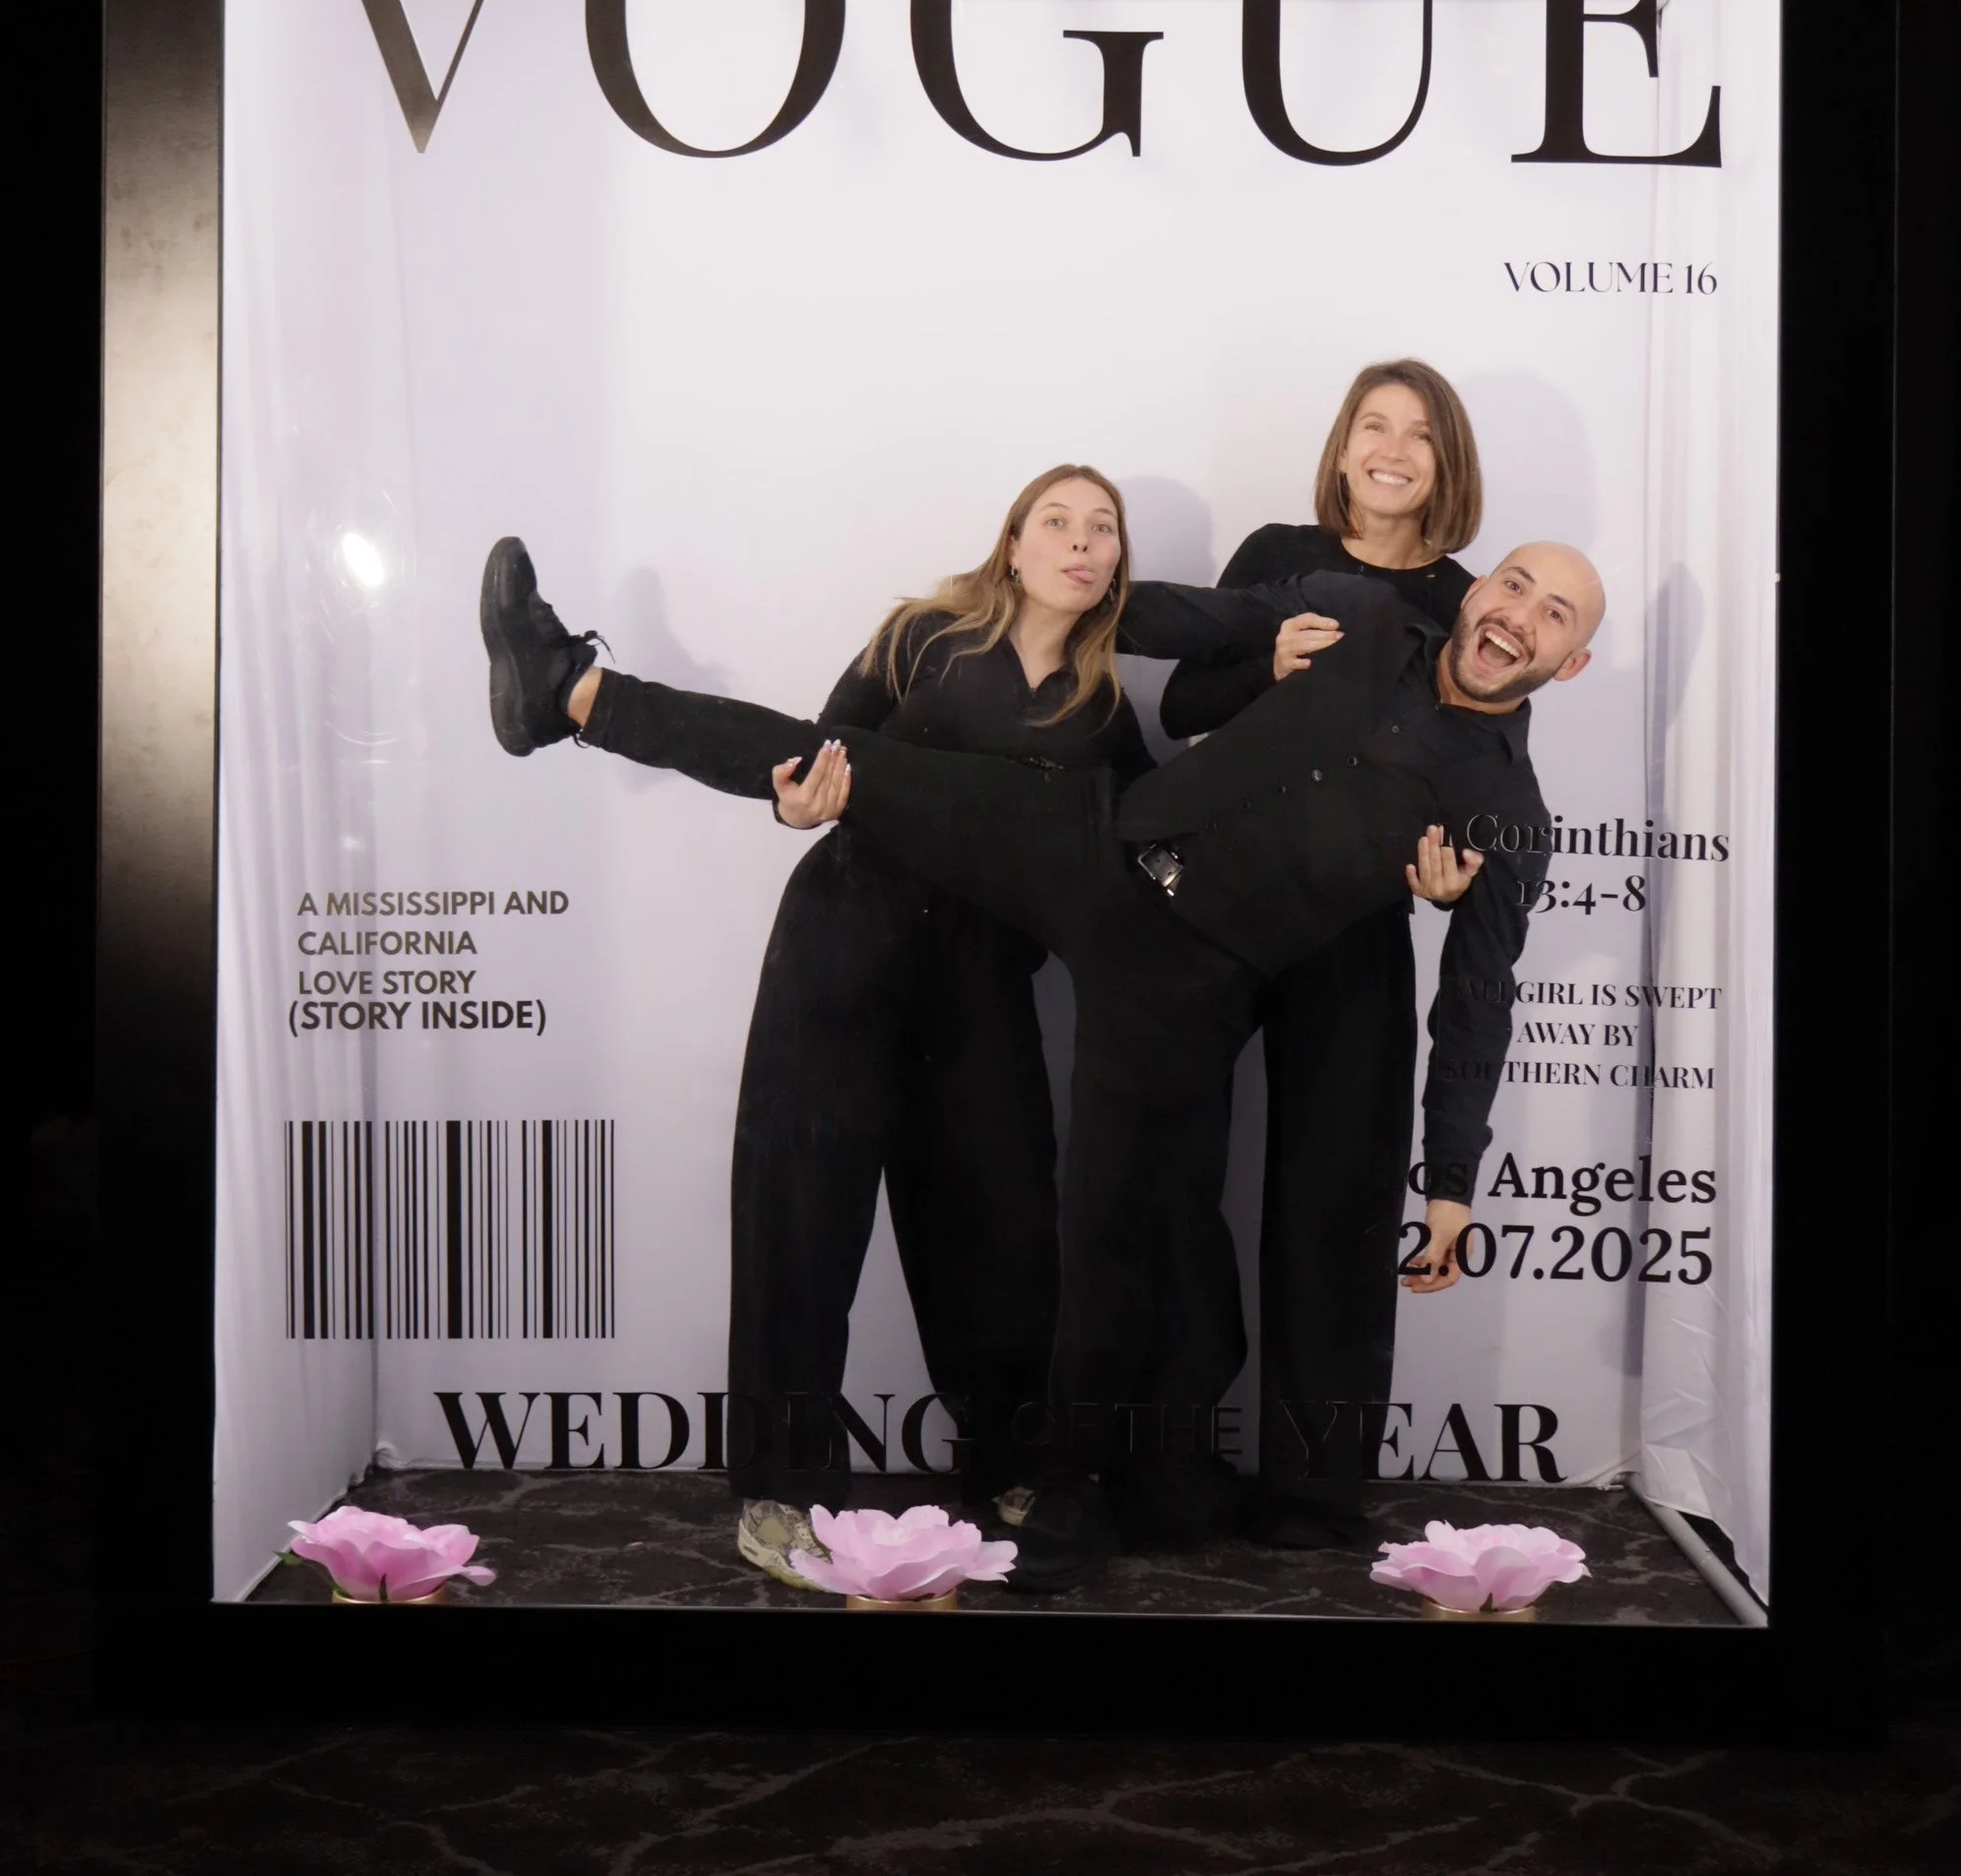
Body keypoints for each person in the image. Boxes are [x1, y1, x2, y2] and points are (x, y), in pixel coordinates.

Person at [481, 530, 1603, 1588]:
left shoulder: (1500, 808)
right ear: (1475, 589)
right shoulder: (1359, 612)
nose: (1520, 615)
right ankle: (570, 692)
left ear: (1571, 662)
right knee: (851, 763)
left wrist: (1452, 1182)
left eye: (1555, 614)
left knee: (1108, 1228)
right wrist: (1133, 604)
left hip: (1184, 977)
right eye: (1514, 584)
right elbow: (1178, 615)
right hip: (1096, 838)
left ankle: (1062, 1495)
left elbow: (1478, 998)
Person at [718, 466, 1205, 1588]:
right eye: (1058, 523)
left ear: (1117, 563)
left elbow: (1151, 844)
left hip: (985, 980)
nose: (1081, 544)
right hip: (846, 949)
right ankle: (782, 1491)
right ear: (1015, 543)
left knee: (1000, 1222)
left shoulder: (1104, 706)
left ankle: (1007, 1463)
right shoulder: (923, 638)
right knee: (803, 1217)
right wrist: (792, 797)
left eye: (1103, 530)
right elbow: (818, 753)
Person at [1159, 360, 1484, 1550]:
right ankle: (1172, 1470)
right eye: (1374, 426)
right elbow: (1186, 706)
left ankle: (1312, 1489)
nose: (1394, 450)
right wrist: (1270, 667)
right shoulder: (1277, 554)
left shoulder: (1465, 600)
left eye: (1420, 435)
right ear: (1342, 446)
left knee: (1336, 1197)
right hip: (1223, 901)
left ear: (1446, 463)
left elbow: (1482, 762)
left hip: (1357, 919)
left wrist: (1460, 870)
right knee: (1173, 1177)